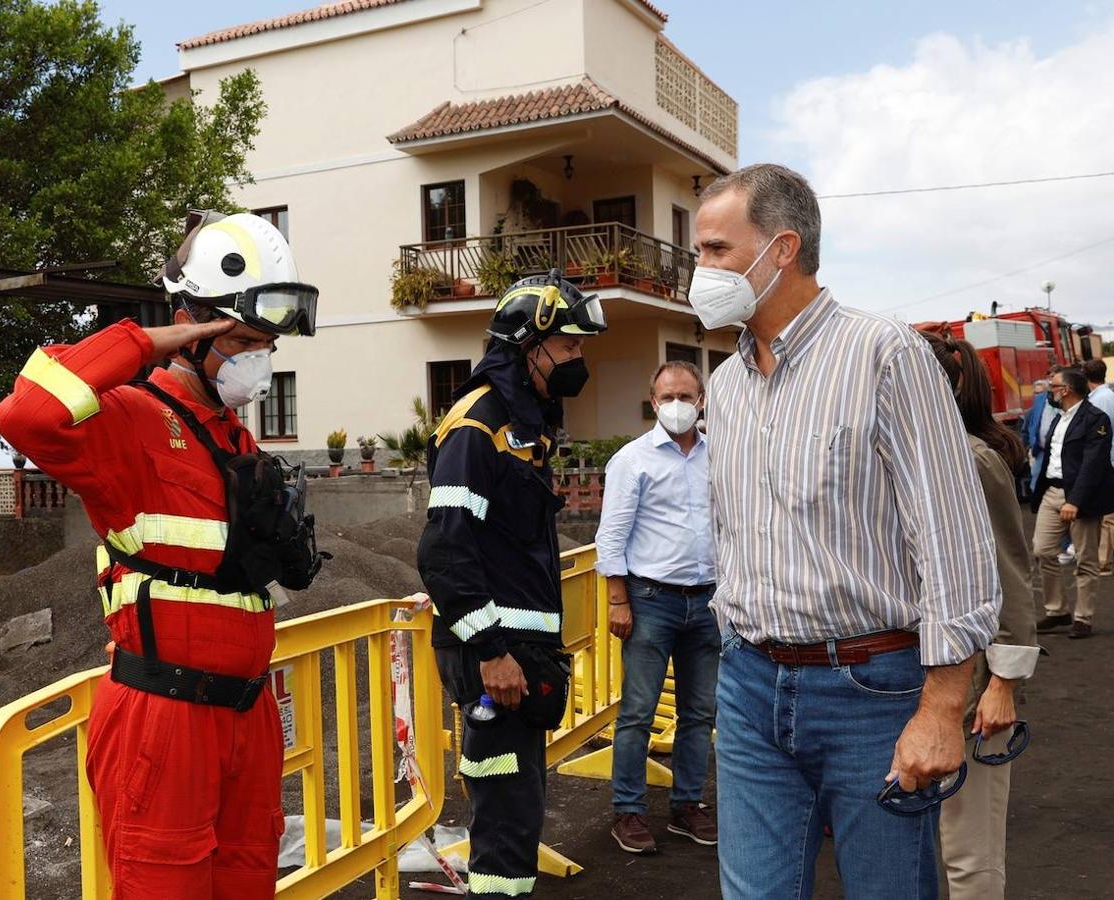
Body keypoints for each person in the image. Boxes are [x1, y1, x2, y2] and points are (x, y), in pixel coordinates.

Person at [694, 163, 1001, 900]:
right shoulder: (724, 384)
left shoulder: (883, 355)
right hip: (748, 688)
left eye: (714, 250)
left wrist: (939, 708)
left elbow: (951, 539)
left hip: (870, 690)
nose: (698, 272)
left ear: (782, 249)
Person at [0, 211, 322, 899]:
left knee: (249, 881)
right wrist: (146, 341)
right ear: (194, 326)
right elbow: (25, 415)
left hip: (248, 715)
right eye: (241, 340)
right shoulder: (127, 417)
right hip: (163, 718)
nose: (258, 359)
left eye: (266, 343)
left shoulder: (232, 438)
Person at [418, 271, 606, 898]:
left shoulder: (525, 425)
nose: (579, 360)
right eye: (571, 347)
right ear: (530, 346)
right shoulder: (478, 425)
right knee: (504, 815)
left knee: (517, 811)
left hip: (519, 656)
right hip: (493, 657)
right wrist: (492, 651)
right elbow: (444, 549)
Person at [920, 332, 1040, 899]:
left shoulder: (971, 460)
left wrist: (1004, 683)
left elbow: (1011, 576)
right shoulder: (903, 457)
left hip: (971, 687)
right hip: (908, 679)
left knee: (969, 852)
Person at [595, 360, 719, 853]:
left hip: (708, 601)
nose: (676, 405)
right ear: (652, 401)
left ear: (701, 401)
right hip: (650, 602)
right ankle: (628, 811)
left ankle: (686, 806)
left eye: (686, 397)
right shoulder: (632, 459)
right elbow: (612, 536)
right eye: (667, 397)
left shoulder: (718, 455)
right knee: (638, 713)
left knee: (698, 712)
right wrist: (617, 600)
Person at [1032, 367, 1114, 639]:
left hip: (1079, 497)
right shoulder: (1060, 418)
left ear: (1066, 390)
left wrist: (1075, 501)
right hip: (1052, 493)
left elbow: (1093, 464)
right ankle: (1057, 610)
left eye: (1053, 386)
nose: (1050, 390)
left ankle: (1083, 617)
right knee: (1042, 550)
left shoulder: (1096, 418)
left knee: (1085, 558)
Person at [1081, 359, 1114, 576]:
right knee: (1108, 516)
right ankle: (1103, 563)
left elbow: (1100, 434)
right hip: (1112, 459)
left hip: (1109, 461)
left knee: (1112, 517)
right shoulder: (1109, 394)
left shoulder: (1101, 399)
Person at [1023, 374, 1058, 492]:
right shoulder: (1034, 409)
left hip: (1055, 451)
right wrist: (1031, 445)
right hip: (1040, 451)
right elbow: (1030, 427)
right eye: (1035, 393)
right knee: (1036, 481)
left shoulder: (1056, 405)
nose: (1037, 396)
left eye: (1041, 393)